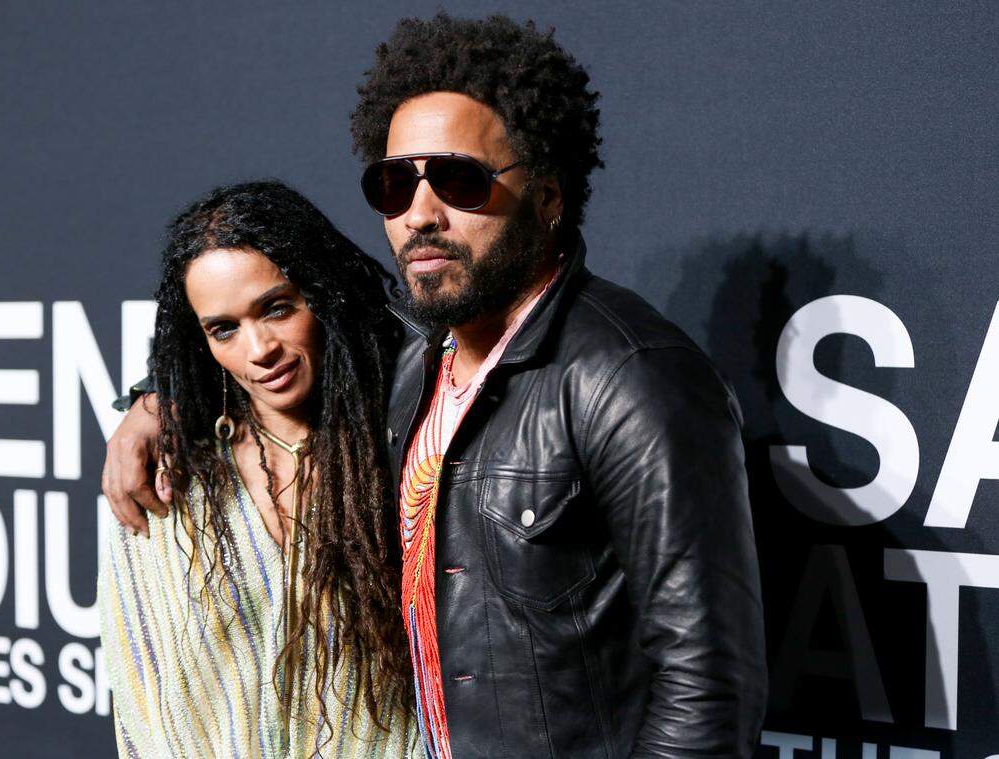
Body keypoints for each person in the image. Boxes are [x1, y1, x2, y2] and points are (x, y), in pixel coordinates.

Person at [105, 14, 768, 758]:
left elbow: (710, 691)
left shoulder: (630, 377)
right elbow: (276, 333)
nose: (420, 214)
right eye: (395, 185)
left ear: (549, 197)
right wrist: (155, 401)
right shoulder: (416, 361)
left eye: (460, 181)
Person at [97, 181, 422, 758]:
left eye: (277, 308)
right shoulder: (172, 476)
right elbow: (143, 689)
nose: (259, 349)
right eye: (223, 328)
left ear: (323, 295)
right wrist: (154, 402)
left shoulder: (406, 443)